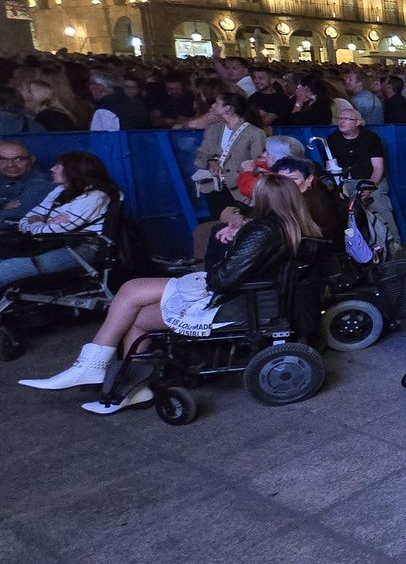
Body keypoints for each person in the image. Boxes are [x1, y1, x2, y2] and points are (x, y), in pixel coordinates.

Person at [21, 173, 318, 413]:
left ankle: (95, 367)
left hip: (237, 302)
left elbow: (222, 279)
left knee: (132, 293)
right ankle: (130, 387)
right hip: (250, 298)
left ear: (263, 197)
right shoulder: (292, 226)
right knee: (136, 315)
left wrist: (226, 245)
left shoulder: (263, 230)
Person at [0, 151, 116, 293]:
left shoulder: (95, 197)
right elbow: (25, 221)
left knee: (5, 270)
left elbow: (48, 233)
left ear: (73, 171)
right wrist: (43, 223)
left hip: (79, 249)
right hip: (47, 244)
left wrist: (39, 222)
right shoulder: (59, 190)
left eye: (58, 166)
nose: (52, 169)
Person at [323, 109, 400, 250]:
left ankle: (393, 242)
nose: (341, 121)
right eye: (340, 118)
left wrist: (369, 187)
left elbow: (378, 168)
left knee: (379, 205)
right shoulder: (332, 140)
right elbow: (330, 167)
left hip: (370, 179)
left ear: (357, 122)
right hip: (345, 181)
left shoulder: (371, 139)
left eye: (346, 119)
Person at [192, 93, 266, 221]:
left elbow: (258, 162)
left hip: (240, 189)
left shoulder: (255, 133)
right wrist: (210, 162)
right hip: (214, 186)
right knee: (217, 224)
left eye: (216, 103)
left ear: (227, 108)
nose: (213, 106)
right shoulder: (212, 130)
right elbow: (202, 155)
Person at [0, 141, 55, 231]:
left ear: (32, 160)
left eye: (19, 159)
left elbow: (12, 218)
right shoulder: (4, 177)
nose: (10, 164)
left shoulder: (42, 183)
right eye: (2, 159)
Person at [87, 70, 151, 131]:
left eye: (90, 83)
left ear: (100, 87)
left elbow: (104, 140)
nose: (89, 87)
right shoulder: (136, 104)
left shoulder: (104, 110)